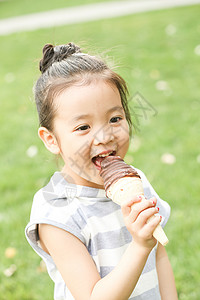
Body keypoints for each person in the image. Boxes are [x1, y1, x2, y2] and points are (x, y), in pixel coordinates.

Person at [25, 42, 178, 300]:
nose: (105, 136)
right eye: (83, 127)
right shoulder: (55, 212)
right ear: (51, 139)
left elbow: (159, 255)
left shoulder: (136, 181)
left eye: (115, 119)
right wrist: (140, 246)